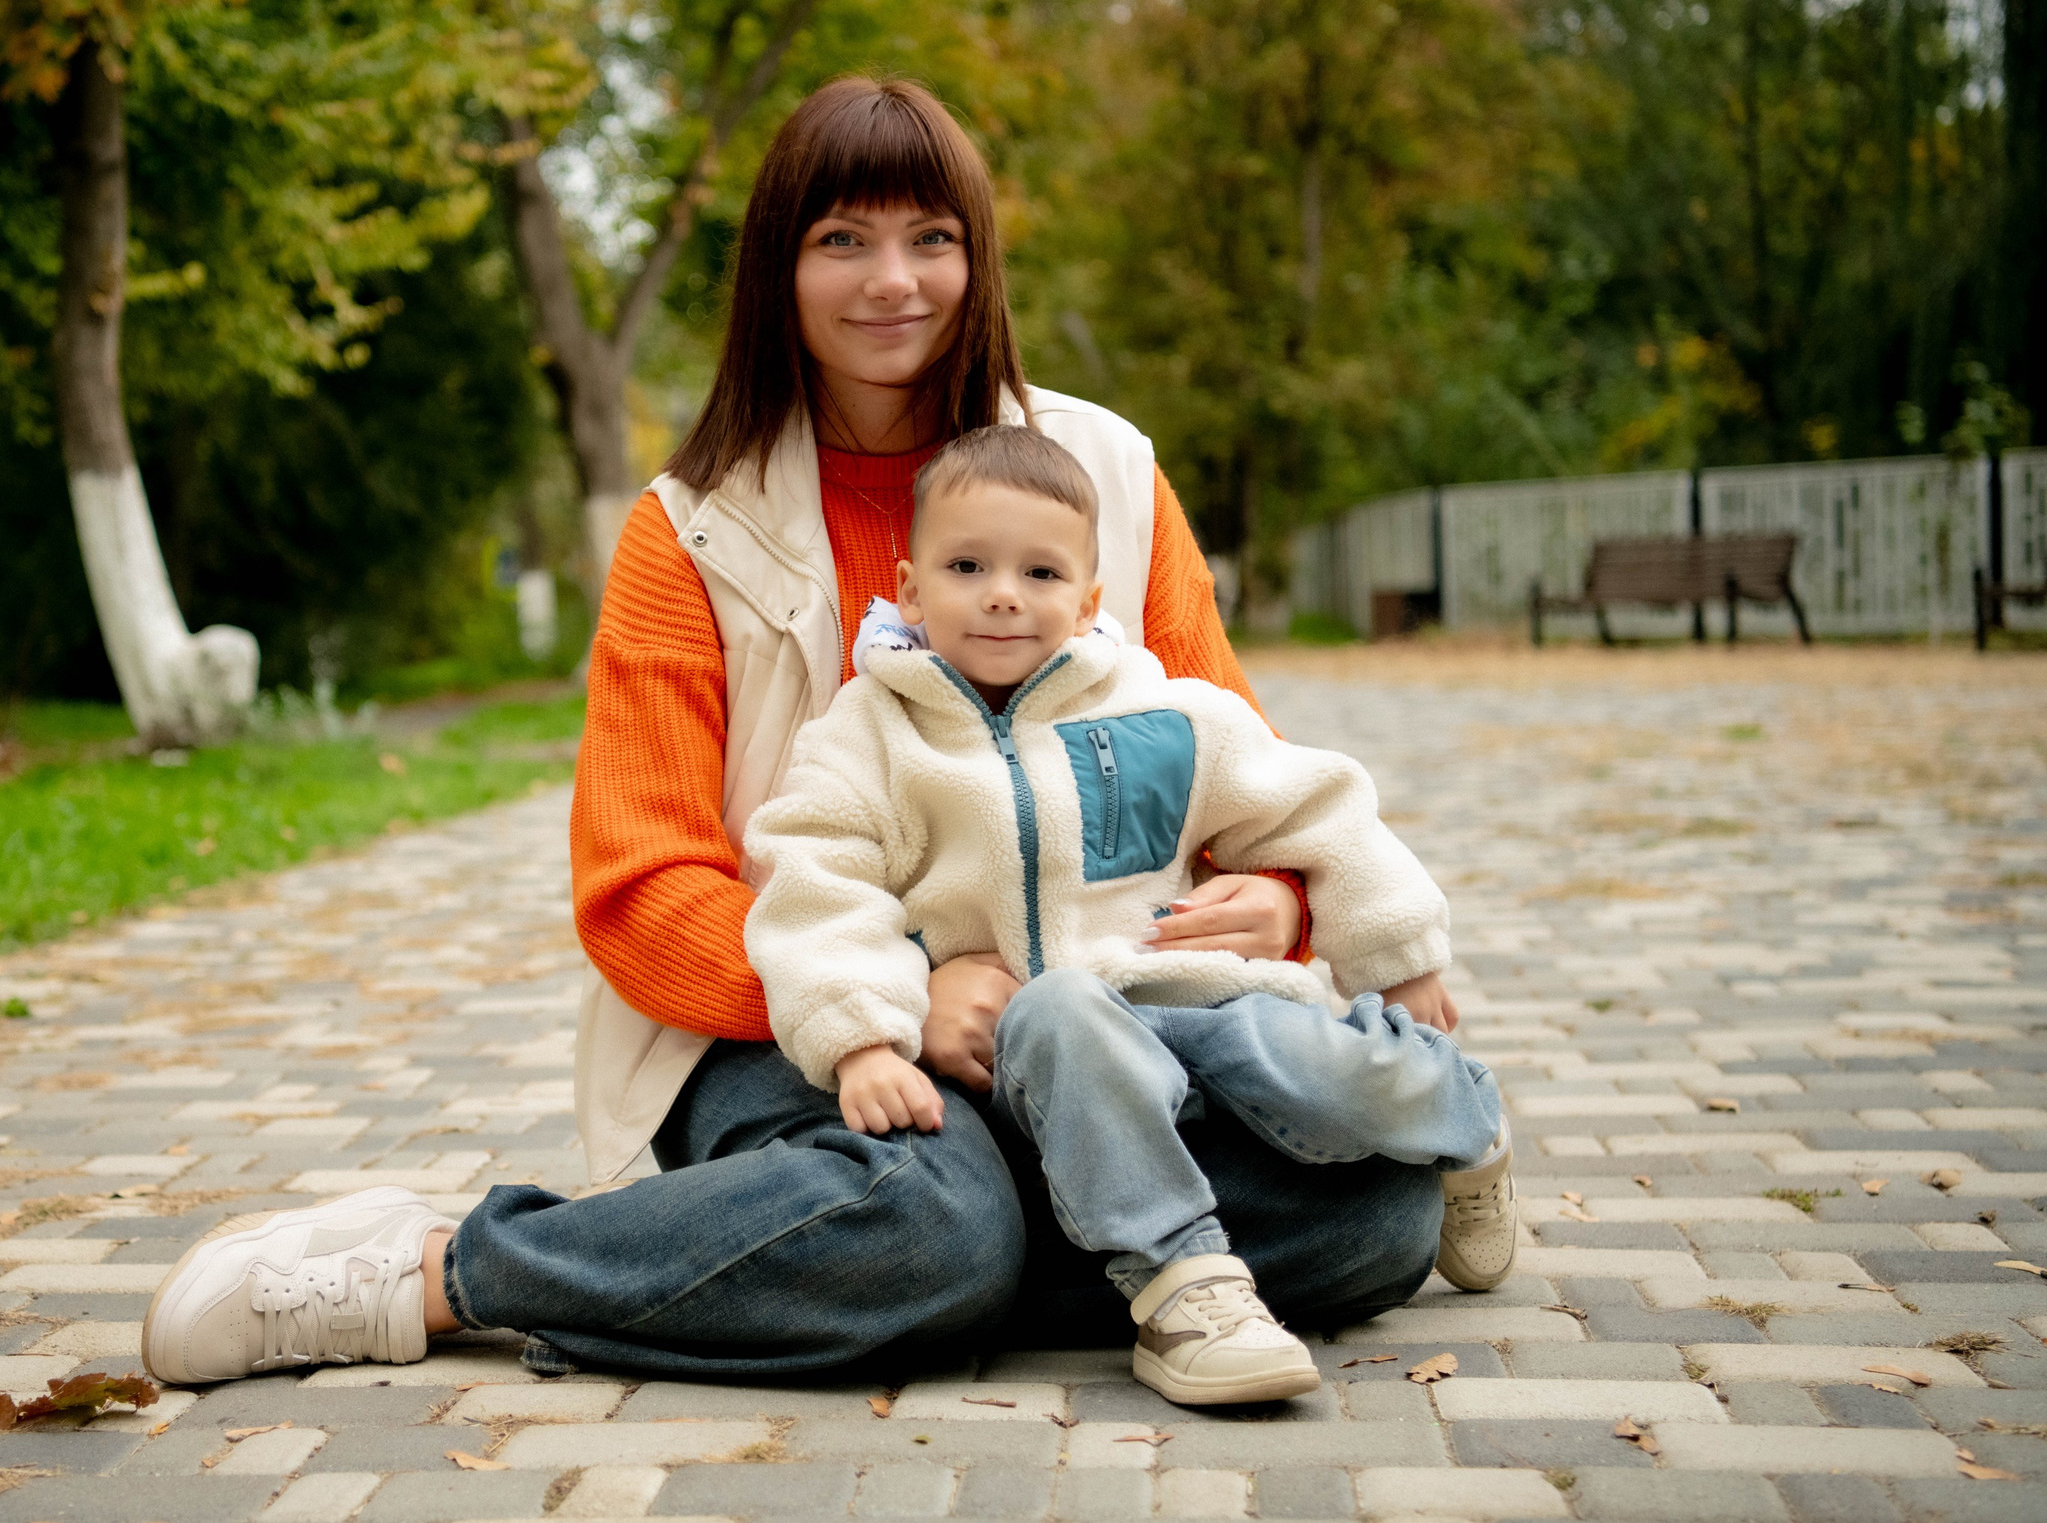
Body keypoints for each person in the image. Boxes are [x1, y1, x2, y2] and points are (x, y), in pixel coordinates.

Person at [141, 74, 1479, 1388]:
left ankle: (878, 1256)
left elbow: (1239, 763)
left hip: (1100, 1011)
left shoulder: (1107, 474)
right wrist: (895, 992)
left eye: (930, 238)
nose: (891, 279)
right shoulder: (690, 529)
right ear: (778, 267)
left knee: (1372, 1212)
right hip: (789, 1020)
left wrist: (1284, 902)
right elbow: (639, 887)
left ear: (978, 257)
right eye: (842, 239)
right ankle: (438, 1268)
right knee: (938, 1215)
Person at [741, 422, 1513, 1407]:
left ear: (1090, 597)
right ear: (907, 585)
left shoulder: (1164, 715)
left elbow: (1317, 807)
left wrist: (1398, 953)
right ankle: (1184, 1290)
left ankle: (1466, 1122)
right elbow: (820, 892)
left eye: (1040, 571)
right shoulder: (866, 737)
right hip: (1038, 1043)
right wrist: (862, 1039)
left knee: (1330, 1066)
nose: (1003, 593)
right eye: (966, 565)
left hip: (1193, 995)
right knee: (1061, 1007)